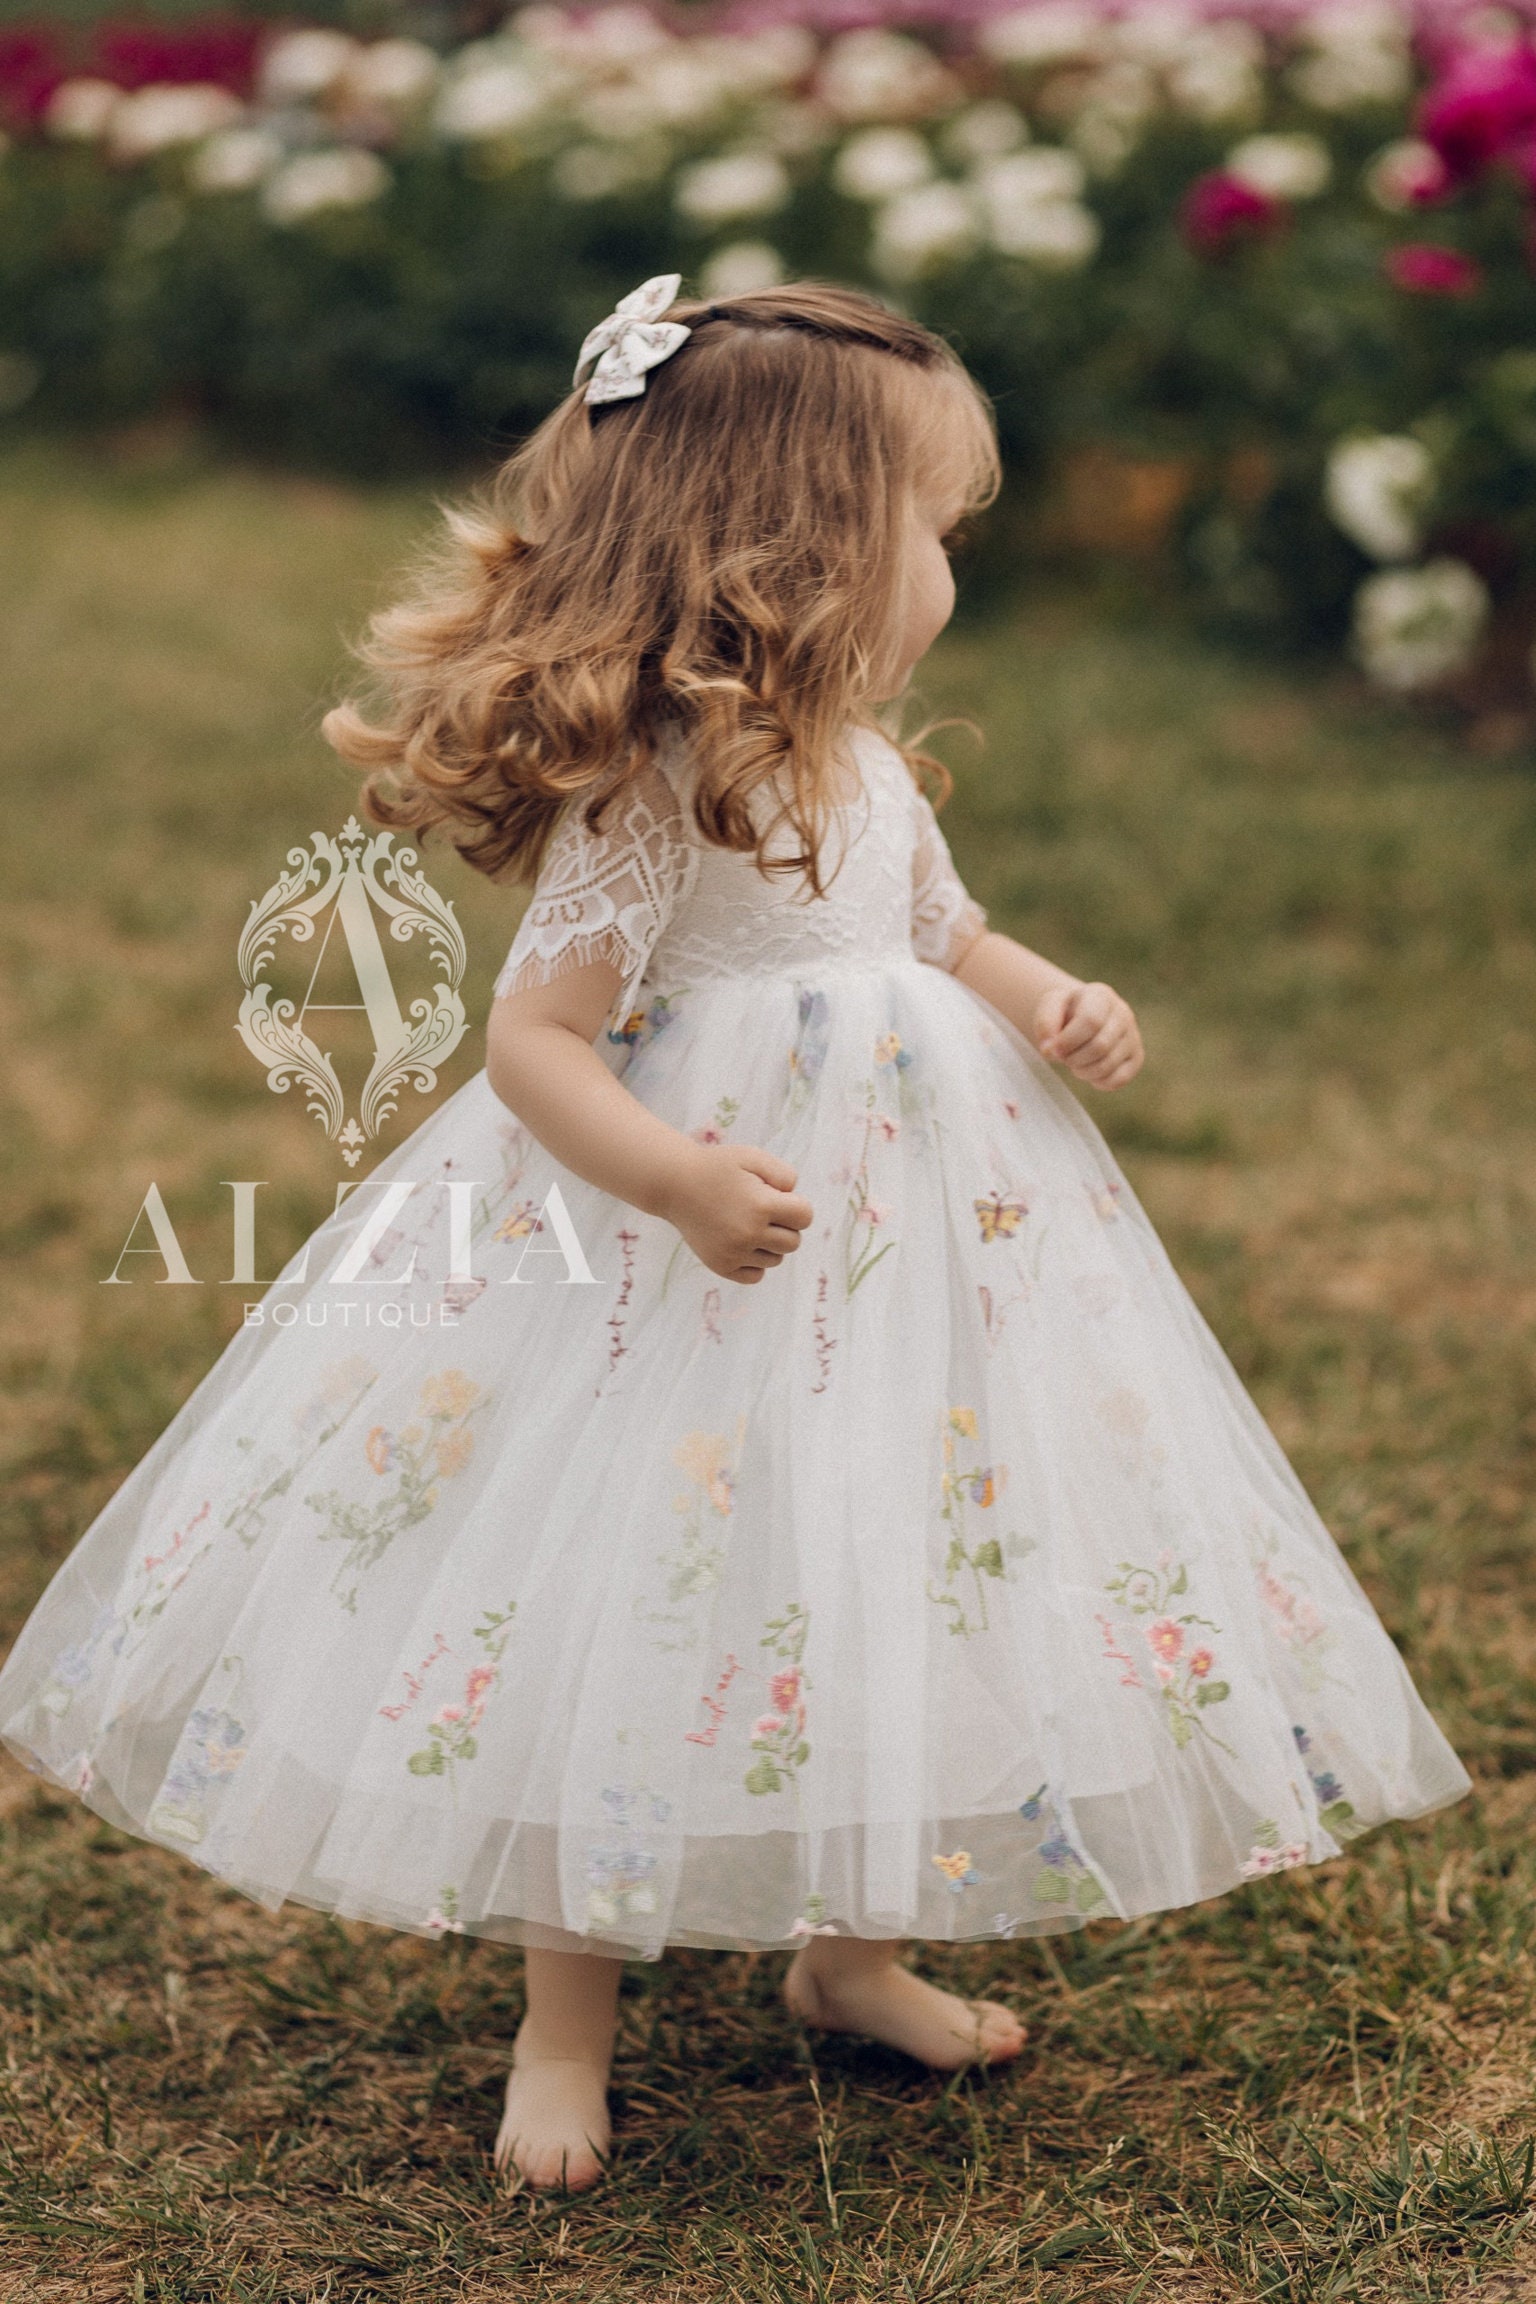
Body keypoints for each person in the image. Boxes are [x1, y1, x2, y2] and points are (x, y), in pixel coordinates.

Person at [0, 278, 1470, 2195]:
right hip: (683, 1252)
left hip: (912, 1226)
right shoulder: (660, 789)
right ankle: (563, 2023)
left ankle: (850, 1952)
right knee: (640, 1576)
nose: (953, 571)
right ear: (803, 550)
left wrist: (1050, 997)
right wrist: (676, 1181)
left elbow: (937, 928)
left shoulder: (862, 767)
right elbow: (534, 1041)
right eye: (935, 534)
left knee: (889, 1540)